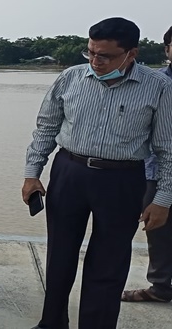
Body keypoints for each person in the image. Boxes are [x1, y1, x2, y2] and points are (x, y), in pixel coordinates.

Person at [22, 17, 172, 329]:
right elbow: (46, 128)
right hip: (69, 172)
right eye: (90, 52)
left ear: (131, 53)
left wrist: (163, 199)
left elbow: (167, 149)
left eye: (105, 55)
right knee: (60, 253)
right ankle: (52, 322)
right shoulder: (70, 78)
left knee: (109, 261)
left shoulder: (158, 87)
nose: (95, 61)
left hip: (122, 179)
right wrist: (32, 172)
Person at [121, 25, 172, 303]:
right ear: (167, 50)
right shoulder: (153, 82)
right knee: (158, 230)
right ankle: (161, 286)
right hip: (156, 169)